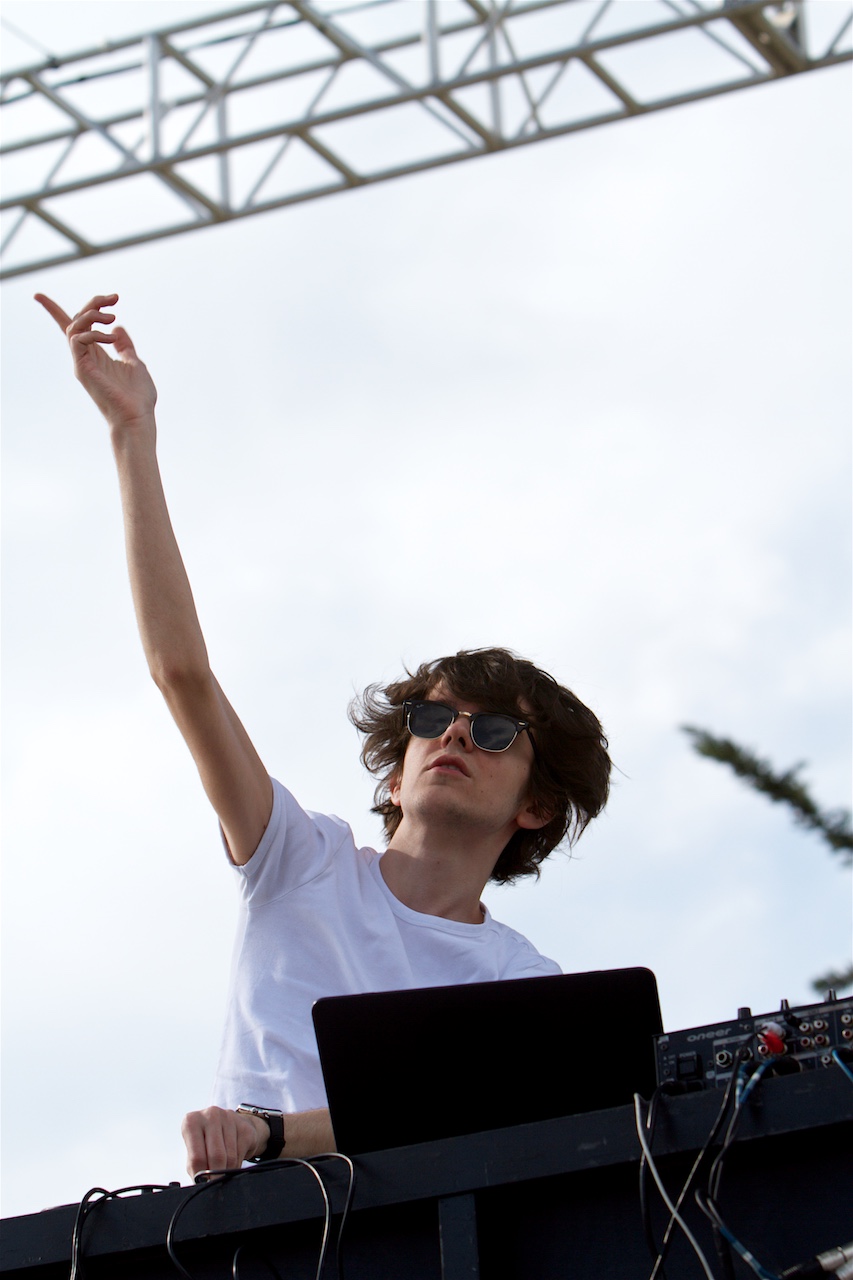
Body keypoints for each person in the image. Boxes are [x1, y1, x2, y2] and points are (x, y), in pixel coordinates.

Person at [37, 292, 612, 1178]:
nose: (454, 737)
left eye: (494, 730)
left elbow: (472, 1119)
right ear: (393, 776)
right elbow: (182, 674)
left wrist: (269, 1133)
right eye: (432, 719)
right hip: (261, 1227)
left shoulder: (519, 981)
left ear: (536, 806)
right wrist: (131, 432)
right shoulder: (298, 859)